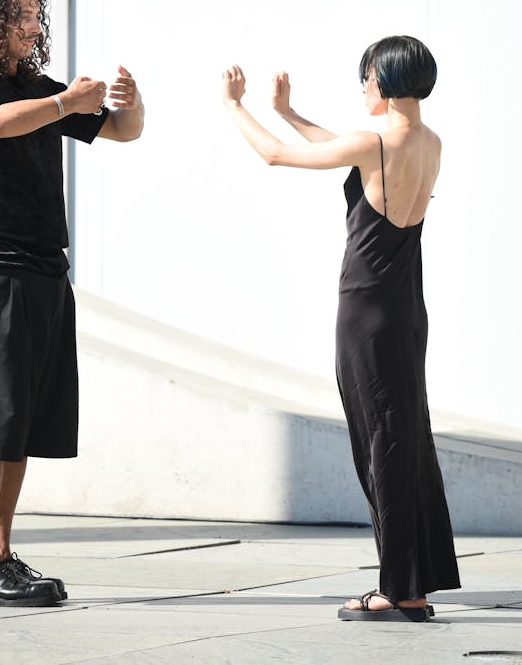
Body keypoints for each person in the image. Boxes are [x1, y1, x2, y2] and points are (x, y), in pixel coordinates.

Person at [221, 36, 460, 623]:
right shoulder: (428, 142)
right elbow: (346, 150)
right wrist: (287, 112)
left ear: (385, 79)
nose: (362, 87)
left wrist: (235, 106)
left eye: (366, 77)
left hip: (365, 312)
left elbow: (275, 157)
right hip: (406, 312)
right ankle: (413, 583)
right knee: (406, 440)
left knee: (380, 443)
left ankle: (397, 590)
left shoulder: (375, 142)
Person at [0, 0, 144, 607]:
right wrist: (64, 103)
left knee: (21, 424)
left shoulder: (36, 89)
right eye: (22, 16)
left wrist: (128, 103)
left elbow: (122, 132)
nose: (33, 27)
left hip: (45, 273)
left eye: (36, 15)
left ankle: (1, 555)